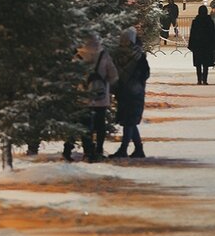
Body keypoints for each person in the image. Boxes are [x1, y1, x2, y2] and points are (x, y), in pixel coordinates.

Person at [63, 32, 118, 163]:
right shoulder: (104, 56)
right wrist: (104, 82)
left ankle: (87, 152)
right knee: (100, 126)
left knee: (84, 125)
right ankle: (98, 150)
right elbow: (113, 75)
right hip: (101, 97)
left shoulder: (78, 56)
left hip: (82, 98)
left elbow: (70, 77)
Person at [111, 28, 150, 158]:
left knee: (128, 121)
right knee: (129, 121)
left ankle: (124, 149)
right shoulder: (139, 56)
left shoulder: (116, 55)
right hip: (134, 92)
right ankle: (138, 149)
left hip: (124, 90)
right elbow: (145, 74)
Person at [188, 5, 215, 85]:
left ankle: (199, 80)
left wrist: (191, 45)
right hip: (207, 45)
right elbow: (213, 33)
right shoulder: (209, 21)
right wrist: (214, 44)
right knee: (205, 64)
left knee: (198, 64)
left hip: (197, 45)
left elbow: (192, 34)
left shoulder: (196, 21)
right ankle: (205, 79)